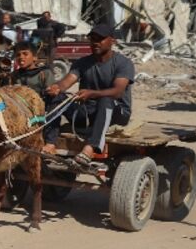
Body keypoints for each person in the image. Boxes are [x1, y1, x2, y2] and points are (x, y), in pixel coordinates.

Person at [43, 22, 135, 169]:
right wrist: (57, 87)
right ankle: (50, 143)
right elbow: (67, 81)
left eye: (100, 39)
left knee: (106, 100)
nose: (95, 42)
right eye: (92, 39)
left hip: (116, 112)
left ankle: (90, 148)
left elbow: (118, 92)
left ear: (112, 40)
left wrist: (91, 93)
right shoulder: (82, 62)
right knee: (56, 97)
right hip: (88, 112)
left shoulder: (123, 63)